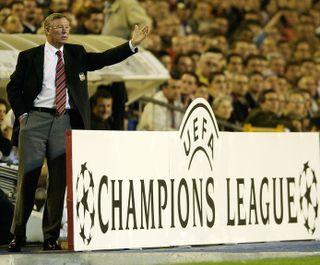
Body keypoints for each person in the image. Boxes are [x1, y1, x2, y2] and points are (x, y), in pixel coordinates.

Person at [6, 12, 149, 252]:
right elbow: (13, 87)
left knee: (58, 181)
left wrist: (131, 44)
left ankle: (50, 236)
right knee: (27, 179)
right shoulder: (28, 56)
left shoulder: (76, 53)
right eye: (60, 27)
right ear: (47, 29)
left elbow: (105, 58)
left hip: (65, 121)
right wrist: (23, 116)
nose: (65, 30)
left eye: (68, 27)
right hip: (35, 120)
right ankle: (17, 235)